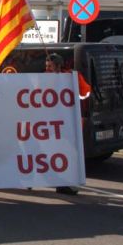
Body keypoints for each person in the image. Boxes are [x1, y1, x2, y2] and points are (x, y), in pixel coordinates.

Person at [45, 53, 85, 196]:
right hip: (50, 125)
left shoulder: (71, 77)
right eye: (46, 66)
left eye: (50, 66)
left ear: (58, 65)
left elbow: (85, 92)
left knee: (67, 154)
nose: (47, 68)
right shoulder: (43, 78)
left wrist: (74, 86)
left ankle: (67, 184)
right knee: (53, 155)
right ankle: (59, 182)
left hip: (67, 124)